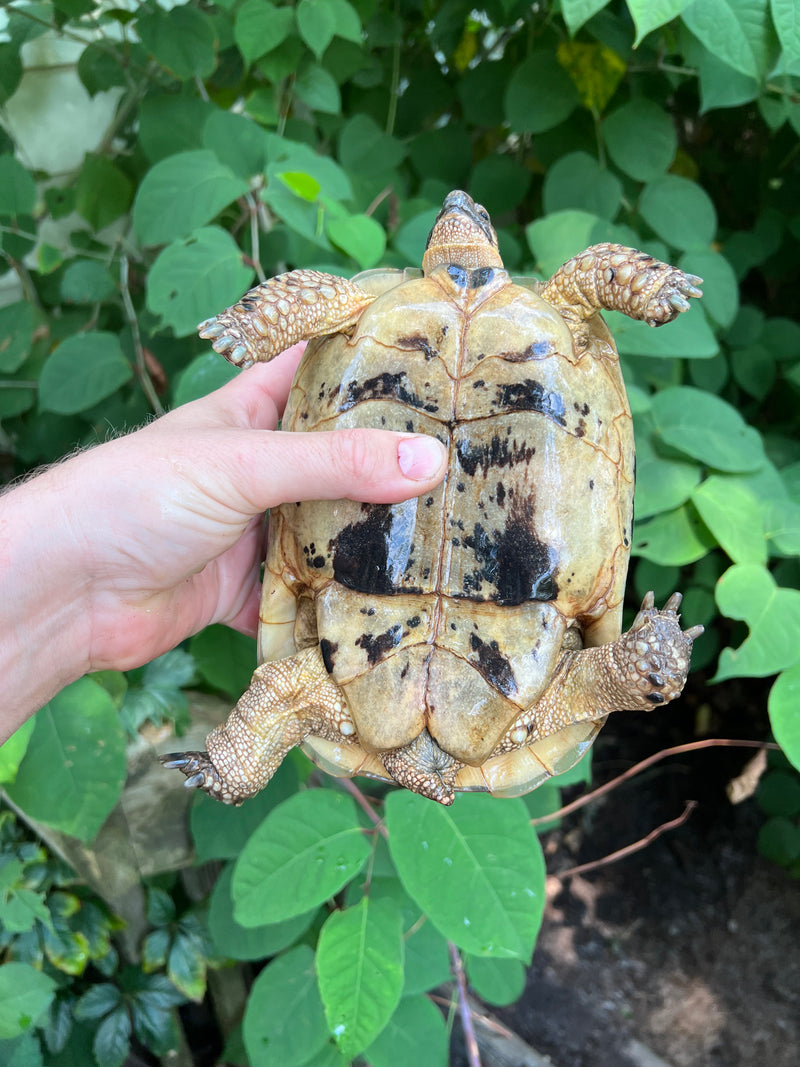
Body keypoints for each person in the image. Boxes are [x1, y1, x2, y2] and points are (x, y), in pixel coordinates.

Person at [0, 343, 448, 744]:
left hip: (341, 627)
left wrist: (85, 591)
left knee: (289, 692)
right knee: (300, 691)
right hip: (351, 626)